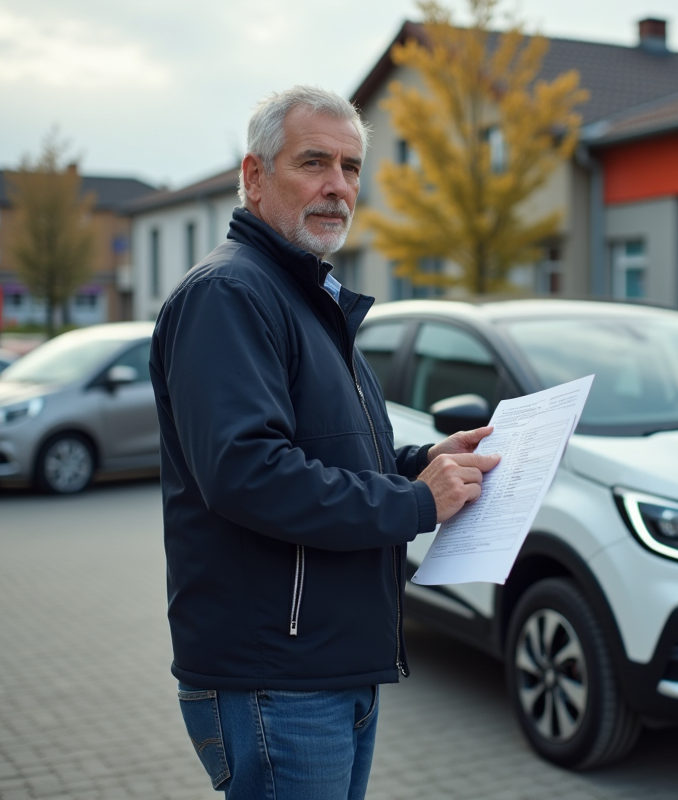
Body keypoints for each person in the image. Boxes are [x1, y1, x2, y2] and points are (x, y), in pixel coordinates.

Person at [148, 86, 500, 800]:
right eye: (314, 163)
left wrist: (426, 464)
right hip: (274, 676)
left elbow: (336, 455)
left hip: (326, 667)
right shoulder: (230, 295)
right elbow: (247, 471)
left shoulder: (305, 297)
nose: (338, 187)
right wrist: (414, 503)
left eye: (351, 167)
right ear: (254, 176)